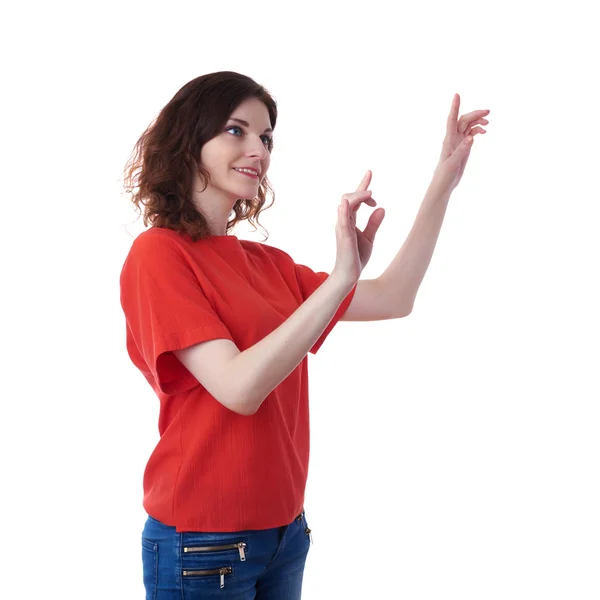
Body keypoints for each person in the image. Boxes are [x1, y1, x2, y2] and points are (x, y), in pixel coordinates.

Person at [119, 71, 489, 599]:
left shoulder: (265, 264)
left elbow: (394, 297)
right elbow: (238, 389)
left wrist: (443, 182)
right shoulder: (159, 254)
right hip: (203, 543)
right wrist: (339, 278)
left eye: (266, 137)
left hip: (285, 533)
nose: (258, 150)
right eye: (236, 130)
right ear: (188, 140)